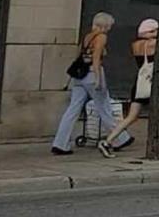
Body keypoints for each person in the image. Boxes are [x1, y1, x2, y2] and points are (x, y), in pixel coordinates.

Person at [99, 19, 159, 158]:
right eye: (154, 30)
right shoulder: (154, 44)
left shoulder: (136, 44)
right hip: (151, 84)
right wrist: (157, 33)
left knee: (131, 117)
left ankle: (108, 141)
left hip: (139, 84)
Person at [51, 13, 127, 155]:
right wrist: (98, 78)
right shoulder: (102, 37)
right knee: (104, 107)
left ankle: (60, 143)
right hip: (93, 74)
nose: (110, 28)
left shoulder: (87, 37)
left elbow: (79, 56)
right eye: (109, 25)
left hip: (80, 76)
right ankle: (120, 138)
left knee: (72, 110)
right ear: (105, 25)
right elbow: (96, 58)